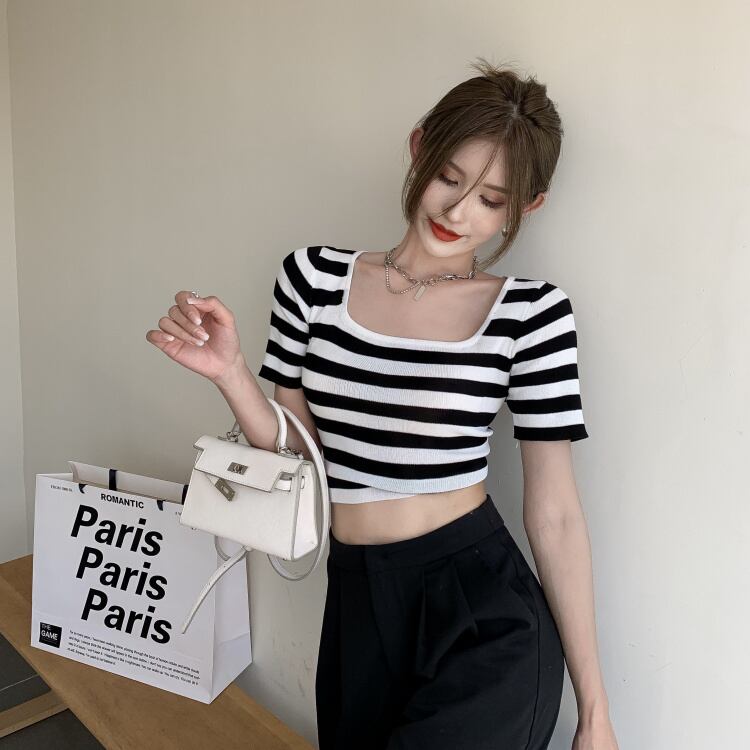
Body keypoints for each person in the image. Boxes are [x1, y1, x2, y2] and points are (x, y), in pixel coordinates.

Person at [146, 58, 619, 750]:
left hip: (483, 617)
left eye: (492, 200)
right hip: (357, 603)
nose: (458, 212)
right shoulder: (311, 280)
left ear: (527, 206)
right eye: (449, 178)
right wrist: (231, 373)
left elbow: (555, 515)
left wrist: (595, 713)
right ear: (419, 146)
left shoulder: (531, 315)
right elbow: (299, 460)